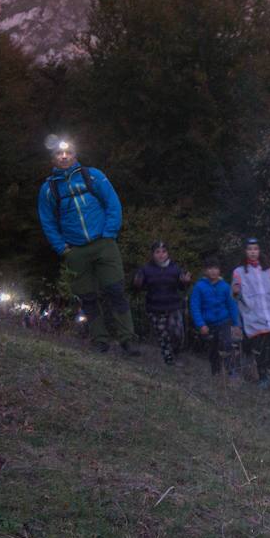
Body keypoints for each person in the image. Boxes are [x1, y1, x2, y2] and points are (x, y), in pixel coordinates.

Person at [36, 136, 139, 356]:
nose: (64, 157)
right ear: (52, 158)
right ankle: (100, 340)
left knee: (116, 291)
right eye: (59, 154)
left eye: (69, 153)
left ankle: (127, 340)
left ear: (75, 154)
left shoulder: (93, 175)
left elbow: (113, 203)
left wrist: (110, 233)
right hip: (75, 250)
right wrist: (61, 247)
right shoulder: (48, 188)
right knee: (88, 298)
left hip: (104, 244)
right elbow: (47, 221)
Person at [231, 238, 270, 388]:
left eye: (255, 249)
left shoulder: (268, 270)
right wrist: (236, 292)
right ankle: (262, 378)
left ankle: (269, 372)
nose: (253, 252)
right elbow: (235, 294)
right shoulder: (239, 271)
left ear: (259, 251)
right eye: (250, 249)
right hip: (253, 317)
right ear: (245, 251)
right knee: (259, 348)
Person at [133, 240, 191, 366]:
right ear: (153, 254)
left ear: (168, 253)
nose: (161, 255)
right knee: (163, 336)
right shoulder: (146, 269)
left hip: (174, 306)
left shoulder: (175, 268)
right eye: (157, 252)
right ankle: (169, 362)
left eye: (164, 252)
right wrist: (137, 283)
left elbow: (182, 287)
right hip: (155, 308)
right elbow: (138, 287)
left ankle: (175, 353)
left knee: (177, 334)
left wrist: (185, 281)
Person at [189, 258, 242, 377]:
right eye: (210, 268)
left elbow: (232, 305)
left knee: (227, 344)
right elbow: (195, 307)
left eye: (216, 268)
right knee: (213, 350)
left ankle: (231, 372)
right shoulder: (199, 287)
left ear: (219, 270)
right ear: (205, 271)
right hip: (208, 324)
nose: (213, 271)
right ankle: (216, 373)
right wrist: (201, 324)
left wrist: (236, 324)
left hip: (224, 322)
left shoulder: (225, 286)